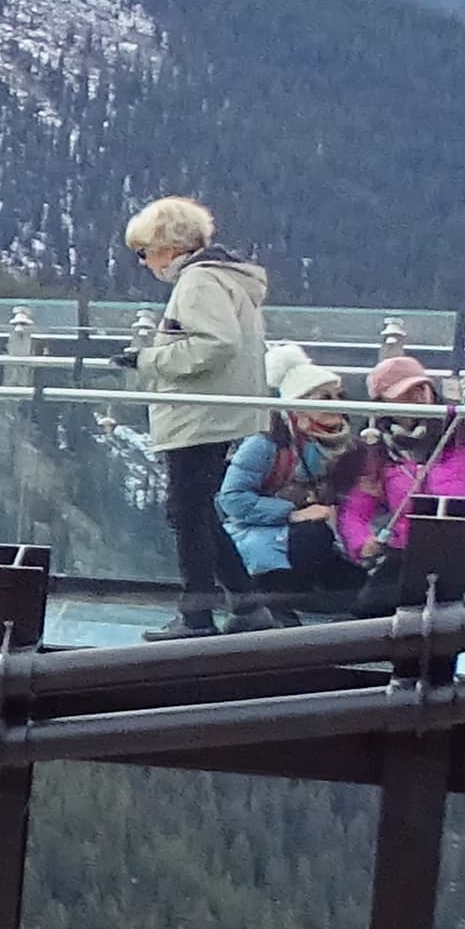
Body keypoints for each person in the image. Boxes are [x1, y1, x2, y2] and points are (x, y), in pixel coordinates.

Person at [122, 194, 271, 637]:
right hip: (219, 410)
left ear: (167, 246)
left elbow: (216, 342)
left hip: (198, 412)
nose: (145, 262)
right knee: (197, 510)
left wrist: (150, 360)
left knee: (186, 513)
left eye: (144, 252)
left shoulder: (198, 282)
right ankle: (245, 605)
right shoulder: (227, 278)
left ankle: (197, 614)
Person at [337, 352, 465, 620]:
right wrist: (362, 542)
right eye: (403, 392)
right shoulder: (378, 450)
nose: (417, 396)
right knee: (369, 608)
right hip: (412, 547)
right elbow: (356, 509)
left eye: (420, 387)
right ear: (383, 403)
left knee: (426, 598)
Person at [215, 346, 362, 625]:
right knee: (313, 535)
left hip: (318, 538)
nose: (337, 404)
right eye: (325, 398)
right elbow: (231, 498)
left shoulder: (345, 445)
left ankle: (284, 603)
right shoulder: (266, 443)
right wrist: (291, 514)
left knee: (363, 592)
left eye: (339, 396)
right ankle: (269, 601)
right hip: (263, 539)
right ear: (298, 404)